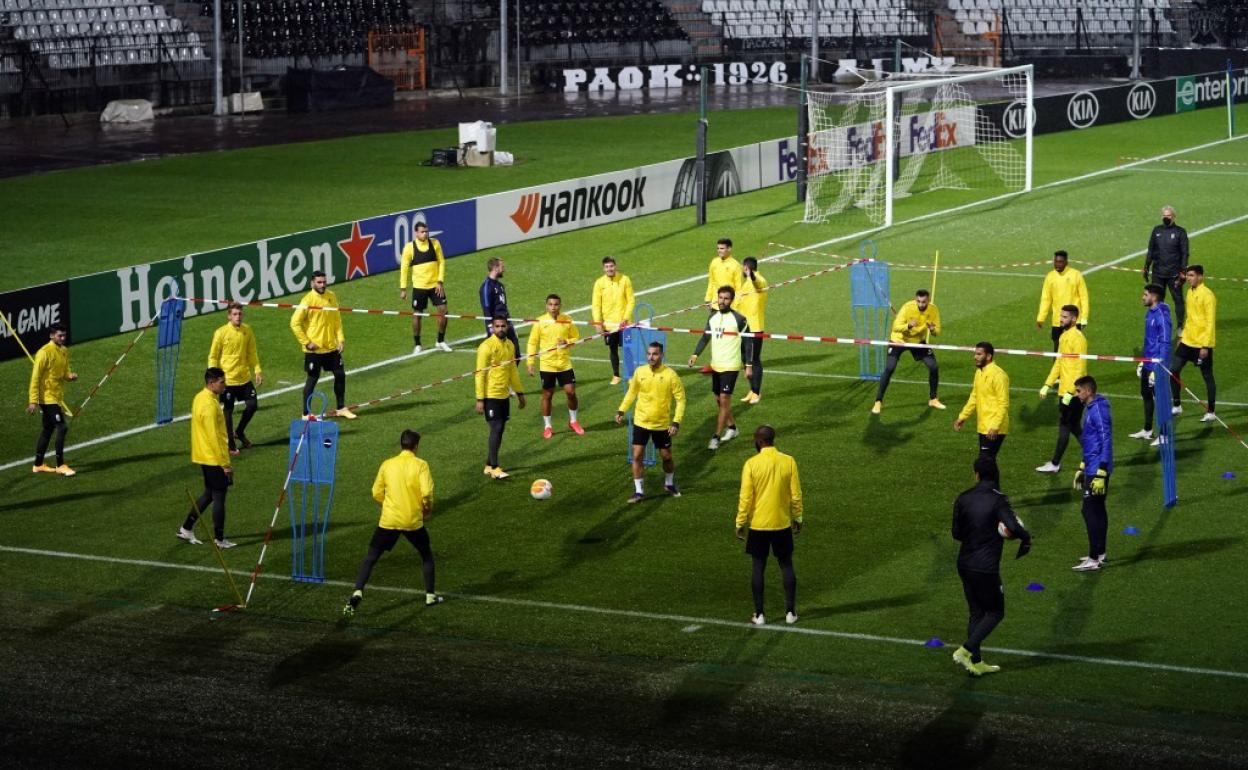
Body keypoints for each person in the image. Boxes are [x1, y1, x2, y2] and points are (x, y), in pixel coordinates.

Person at [342, 429, 442, 617]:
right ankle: (430, 595)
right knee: (426, 555)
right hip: (412, 520)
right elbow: (427, 492)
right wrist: (427, 508)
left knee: (371, 557)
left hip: (389, 520)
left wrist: (387, 505)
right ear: (416, 446)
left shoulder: (388, 464)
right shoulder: (421, 465)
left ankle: (358, 590)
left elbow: (375, 492)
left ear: (401, 444)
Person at [950, 455, 1031, 676]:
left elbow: (956, 533)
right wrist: (1026, 537)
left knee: (976, 613)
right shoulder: (998, 500)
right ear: (996, 474)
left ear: (976, 474)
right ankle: (965, 651)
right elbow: (1013, 526)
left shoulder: (963, 497)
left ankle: (975, 663)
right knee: (995, 612)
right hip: (985, 568)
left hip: (964, 563)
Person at [735, 425, 803, 626]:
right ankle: (790, 612)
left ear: (758, 441)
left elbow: (745, 498)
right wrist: (797, 518)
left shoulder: (751, 464)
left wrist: (740, 522)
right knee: (786, 565)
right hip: (781, 523)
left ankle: (760, 614)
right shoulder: (788, 461)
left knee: (758, 567)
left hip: (758, 525)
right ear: (773, 440)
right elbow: (796, 495)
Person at [616, 341, 686, 503]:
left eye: (655, 354)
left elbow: (681, 400)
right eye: (648, 354)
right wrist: (621, 410)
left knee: (666, 457)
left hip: (661, 425)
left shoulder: (671, 375)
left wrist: (676, 422)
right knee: (637, 455)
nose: (651, 357)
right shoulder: (640, 372)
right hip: (641, 422)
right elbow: (631, 393)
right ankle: (639, 491)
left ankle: (668, 484)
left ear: (662, 355)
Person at [689, 285, 754, 450]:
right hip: (716, 365)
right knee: (719, 401)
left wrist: (748, 365)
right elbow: (705, 337)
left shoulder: (740, 319)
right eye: (720, 298)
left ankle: (716, 437)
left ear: (731, 300)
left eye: (726, 298)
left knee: (724, 400)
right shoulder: (713, 317)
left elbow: (748, 342)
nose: (722, 301)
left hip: (731, 366)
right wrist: (695, 354)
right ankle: (732, 428)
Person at [177, 367, 236, 548]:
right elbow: (214, 437)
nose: (224, 385)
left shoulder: (199, 397)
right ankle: (219, 539)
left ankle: (186, 528)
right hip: (213, 458)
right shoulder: (210, 406)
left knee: (209, 493)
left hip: (202, 455)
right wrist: (225, 464)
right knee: (219, 496)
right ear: (211, 383)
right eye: (221, 382)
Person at [290, 271, 356, 419]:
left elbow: (337, 320)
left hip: (331, 347)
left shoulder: (331, 296)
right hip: (315, 350)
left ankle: (341, 408)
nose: (322, 285)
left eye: (324, 282)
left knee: (340, 374)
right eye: (319, 282)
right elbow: (294, 323)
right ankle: (306, 414)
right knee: (312, 379)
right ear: (312, 283)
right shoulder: (307, 300)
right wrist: (307, 343)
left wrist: (340, 339)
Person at [872, 289, 944, 414]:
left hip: (917, 341)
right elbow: (895, 327)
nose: (921, 304)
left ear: (928, 300)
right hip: (899, 340)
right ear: (916, 299)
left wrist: (932, 330)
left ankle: (933, 399)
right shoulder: (907, 307)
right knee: (889, 368)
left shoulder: (933, 310)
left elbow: (937, 332)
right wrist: (908, 326)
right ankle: (878, 401)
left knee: (933, 367)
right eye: (919, 301)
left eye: (924, 302)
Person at [1035, 305, 1087, 473]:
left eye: (1064, 317)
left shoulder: (1077, 338)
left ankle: (1056, 463)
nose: (1061, 319)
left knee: (1066, 425)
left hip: (1073, 393)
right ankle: (1092, 454)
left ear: (1074, 319)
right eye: (1061, 316)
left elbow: (1080, 368)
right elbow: (1058, 363)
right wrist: (1047, 384)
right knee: (1072, 426)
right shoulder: (1064, 336)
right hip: (1065, 391)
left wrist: (1071, 393)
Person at [208, 302, 263, 455]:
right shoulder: (220, 333)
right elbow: (213, 356)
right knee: (228, 412)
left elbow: (252, 352)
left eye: (240, 314)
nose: (238, 317)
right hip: (228, 381)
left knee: (252, 406)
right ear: (229, 316)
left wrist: (257, 370)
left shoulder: (247, 331)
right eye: (235, 314)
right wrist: (213, 378)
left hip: (244, 378)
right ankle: (231, 445)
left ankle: (239, 431)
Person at [527, 294, 583, 439]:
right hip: (547, 365)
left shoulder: (567, 320)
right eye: (550, 304)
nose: (553, 307)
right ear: (546, 306)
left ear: (560, 305)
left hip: (564, 363)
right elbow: (532, 342)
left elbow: (576, 337)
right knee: (547, 395)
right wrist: (530, 362)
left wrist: (567, 341)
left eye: (556, 304)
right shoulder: (540, 321)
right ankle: (547, 426)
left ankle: (573, 421)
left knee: (571, 392)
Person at [476, 316, 526, 479]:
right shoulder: (486, 347)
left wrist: (520, 393)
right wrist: (480, 399)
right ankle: (495, 468)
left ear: (507, 327)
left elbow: (512, 371)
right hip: (491, 395)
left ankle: (489, 465)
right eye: (497, 326)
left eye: (503, 326)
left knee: (500, 430)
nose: (500, 329)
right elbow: (480, 374)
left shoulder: (510, 345)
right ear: (492, 328)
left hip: (504, 395)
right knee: (496, 428)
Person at [1072, 375, 1113, 572]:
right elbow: (1090, 442)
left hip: (1097, 468)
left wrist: (1101, 472)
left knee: (1089, 511)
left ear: (1088, 391)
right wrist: (1081, 466)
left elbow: (1106, 440)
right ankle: (1100, 552)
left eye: (1078, 391)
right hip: (1092, 466)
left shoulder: (1097, 411)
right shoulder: (1092, 408)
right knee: (1097, 510)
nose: (1076, 394)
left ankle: (1093, 558)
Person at [27, 323, 78, 476]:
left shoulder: (63, 351)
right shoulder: (44, 353)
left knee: (48, 429)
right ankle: (61, 465)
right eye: (59, 335)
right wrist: (33, 401)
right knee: (62, 427)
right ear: (51, 336)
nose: (62, 338)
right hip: (47, 398)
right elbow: (35, 378)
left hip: (56, 397)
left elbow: (64, 371)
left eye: (64, 335)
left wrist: (69, 376)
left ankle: (38, 464)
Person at [1169, 265, 1217, 422]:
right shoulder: (1190, 292)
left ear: (1200, 277)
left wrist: (1205, 346)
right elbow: (1190, 318)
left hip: (1201, 344)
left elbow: (1210, 322)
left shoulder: (1208, 296)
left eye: (1191, 275)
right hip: (1188, 341)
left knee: (1207, 376)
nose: (1188, 278)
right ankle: (1177, 404)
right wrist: (1182, 338)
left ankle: (1211, 411)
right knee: (1173, 370)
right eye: (1188, 275)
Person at [399, 221, 452, 355]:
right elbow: (404, 268)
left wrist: (440, 281)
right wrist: (403, 288)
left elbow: (442, 262)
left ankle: (440, 341)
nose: (425, 234)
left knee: (443, 310)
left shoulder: (435, 244)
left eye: (427, 231)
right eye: (422, 232)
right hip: (419, 287)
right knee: (417, 315)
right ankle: (417, 344)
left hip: (435, 285)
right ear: (416, 233)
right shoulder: (409, 248)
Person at [1129, 284, 1171, 444]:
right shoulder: (1150, 312)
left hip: (1157, 364)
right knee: (1146, 395)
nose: (1143, 297)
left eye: (1145, 294)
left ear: (1154, 297)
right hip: (1148, 361)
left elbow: (1165, 343)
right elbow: (1150, 341)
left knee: (1160, 400)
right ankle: (1147, 430)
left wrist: (1157, 368)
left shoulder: (1161, 315)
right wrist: (1143, 361)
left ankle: (1165, 435)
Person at [954, 342, 1010, 458]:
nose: (975, 357)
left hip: (994, 427)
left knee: (984, 462)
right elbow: (974, 396)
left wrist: (995, 426)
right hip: (983, 425)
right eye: (975, 354)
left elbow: (1003, 403)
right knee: (987, 462)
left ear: (988, 356)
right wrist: (962, 417)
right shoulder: (979, 372)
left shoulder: (998, 375)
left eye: (979, 354)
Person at [1143, 205, 1189, 331]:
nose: (1166, 218)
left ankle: (1180, 325)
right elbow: (1151, 250)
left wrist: (1183, 271)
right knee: (1156, 299)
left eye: (1168, 216)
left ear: (1173, 216)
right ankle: (1157, 323)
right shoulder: (1156, 230)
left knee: (1178, 299)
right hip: (1158, 272)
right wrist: (1146, 267)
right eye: (1164, 216)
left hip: (1174, 274)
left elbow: (1185, 253)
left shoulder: (1180, 232)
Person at [591, 256, 636, 385]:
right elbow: (596, 305)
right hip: (609, 325)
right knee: (613, 349)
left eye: (611, 266)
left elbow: (631, 300)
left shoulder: (625, 279)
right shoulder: (599, 283)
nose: (609, 269)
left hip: (624, 324)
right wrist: (598, 323)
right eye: (607, 267)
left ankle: (631, 374)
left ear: (615, 266)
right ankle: (616, 375)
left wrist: (625, 318)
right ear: (603, 268)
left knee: (627, 349)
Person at [1035, 250, 1090, 352]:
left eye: (1060, 262)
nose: (1057, 264)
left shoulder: (1076, 275)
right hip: (1057, 321)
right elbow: (1046, 299)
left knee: (1074, 351)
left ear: (1066, 262)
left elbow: (1084, 297)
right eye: (1055, 262)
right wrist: (1041, 318)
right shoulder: (1050, 277)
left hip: (1073, 321)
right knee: (1057, 352)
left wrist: (1084, 318)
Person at [736, 256, 769, 404]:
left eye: (744, 268)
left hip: (755, 328)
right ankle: (752, 389)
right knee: (745, 359)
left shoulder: (760, 280)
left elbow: (758, 283)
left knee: (754, 360)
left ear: (746, 268)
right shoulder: (745, 284)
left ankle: (757, 392)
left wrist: (752, 275)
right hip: (743, 328)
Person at [479, 257, 520, 359]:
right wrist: (490, 327)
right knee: (496, 357)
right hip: (496, 325)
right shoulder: (486, 286)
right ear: (495, 268)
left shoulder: (500, 285)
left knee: (516, 354)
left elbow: (503, 306)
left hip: (506, 322)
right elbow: (486, 307)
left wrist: (510, 325)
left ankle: (509, 374)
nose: (504, 269)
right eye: (502, 266)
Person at [704, 237, 744, 307]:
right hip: (715, 304)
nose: (719, 250)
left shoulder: (735, 265)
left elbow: (739, 287)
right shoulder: (714, 262)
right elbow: (711, 281)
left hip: (729, 305)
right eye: (718, 248)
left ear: (729, 249)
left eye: (722, 248)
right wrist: (708, 298)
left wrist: (736, 304)